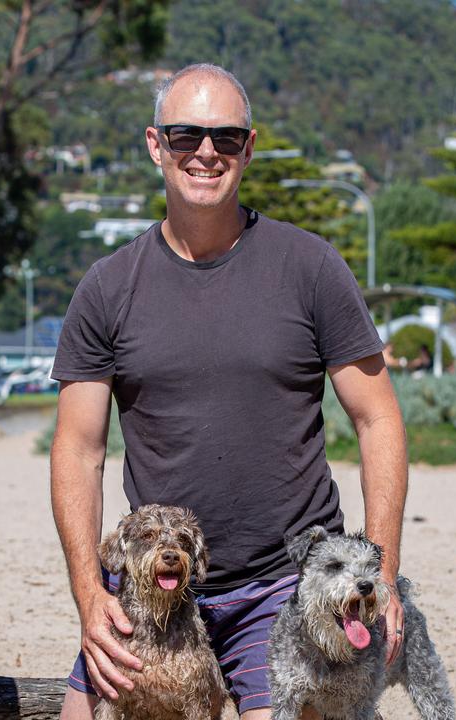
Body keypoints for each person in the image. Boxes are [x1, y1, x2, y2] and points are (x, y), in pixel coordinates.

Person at [50, 64, 409, 720]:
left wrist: (378, 576)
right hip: (152, 589)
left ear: (249, 146)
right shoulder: (108, 285)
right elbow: (77, 450)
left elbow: (378, 419)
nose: (206, 152)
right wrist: (87, 592)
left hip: (282, 588)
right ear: (156, 144)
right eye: (186, 136)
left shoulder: (309, 266)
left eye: (226, 137)